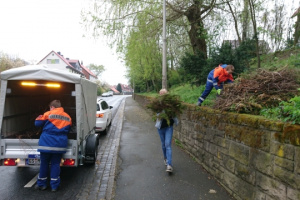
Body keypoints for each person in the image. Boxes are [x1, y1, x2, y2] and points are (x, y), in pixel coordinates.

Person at [34, 100, 72, 192]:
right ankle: (54, 186)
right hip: (59, 144)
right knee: (55, 164)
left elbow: (37, 124)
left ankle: (42, 185)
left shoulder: (48, 114)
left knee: (44, 163)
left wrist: (38, 117)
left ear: (52, 107)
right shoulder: (68, 117)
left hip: (46, 143)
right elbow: (69, 129)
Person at [155, 89, 179, 173]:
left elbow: (175, 113)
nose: (162, 94)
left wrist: (176, 122)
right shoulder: (157, 104)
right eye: (161, 93)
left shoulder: (171, 104)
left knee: (167, 144)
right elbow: (156, 114)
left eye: (164, 93)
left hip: (169, 127)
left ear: (167, 94)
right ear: (159, 94)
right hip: (160, 127)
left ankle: (169, 165)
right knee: (163, 145)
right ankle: (165, 158)